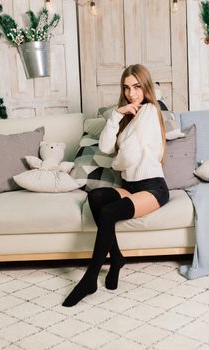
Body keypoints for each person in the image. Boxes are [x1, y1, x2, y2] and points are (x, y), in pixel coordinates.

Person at [62, 64, 169, 307]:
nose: (132, 93)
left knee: (109, 212)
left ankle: (90, 277)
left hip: (152, 188)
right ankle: (117, 258)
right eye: (127, 88)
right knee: (96, 198)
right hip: (130, 186)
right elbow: (105, 148)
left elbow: (126, 157)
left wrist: (118, 163)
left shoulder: (150, 111)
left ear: (146, 87)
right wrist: (116, 115)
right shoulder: (127, 115)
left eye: (137, 87)